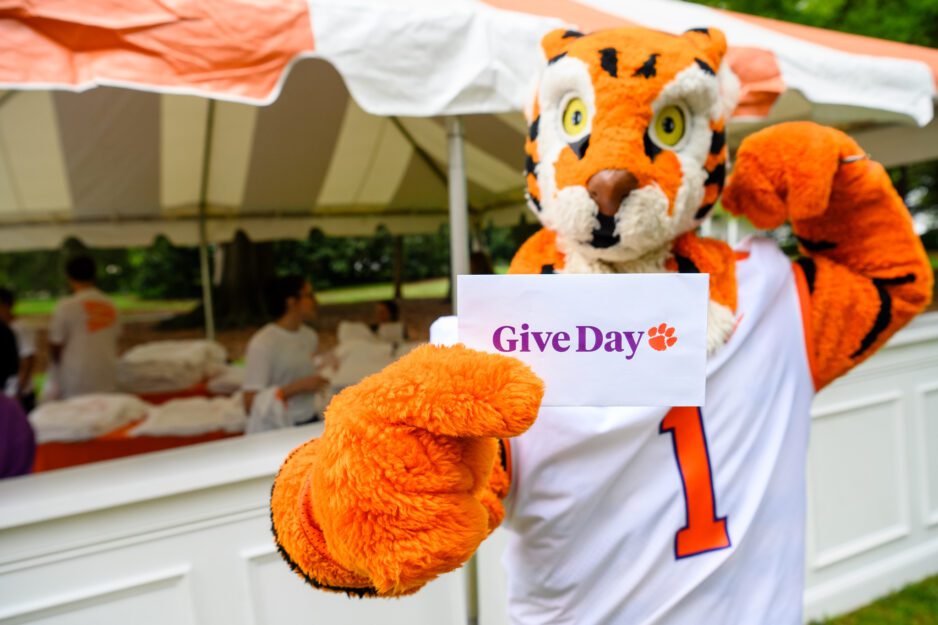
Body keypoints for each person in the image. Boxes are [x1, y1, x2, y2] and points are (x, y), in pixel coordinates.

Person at [242, 276, 329, 431]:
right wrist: (298, 387)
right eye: (309, 295)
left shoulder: (309, 336)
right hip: (281, 427)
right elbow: (250, 404)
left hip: (311, 420)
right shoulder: (263, 343)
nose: (316, 301)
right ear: (291, 302)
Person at [48, 255, 119, 399]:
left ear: (69, 277)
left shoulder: (66, 306)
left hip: (76, 380)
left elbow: (55, 345)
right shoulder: (111, 305)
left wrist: (57, 368)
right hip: (107, 376)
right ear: (94, 275)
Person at [0, 288, 37, 413]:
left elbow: (28, 360)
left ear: (7, 306)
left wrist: (17, 391)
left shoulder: (21, 327)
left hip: (20, 393)